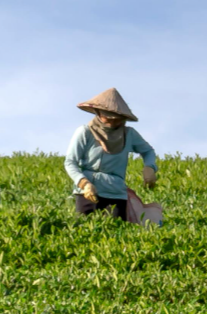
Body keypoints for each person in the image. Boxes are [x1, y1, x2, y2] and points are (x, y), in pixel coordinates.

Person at [64, 88, 159, 218]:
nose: (112, 123)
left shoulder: (129, 134)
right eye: (108, 118)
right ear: (98, 113)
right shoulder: (85, 132)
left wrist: (150, 167)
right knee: (83, 228)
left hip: (116, 192)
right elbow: (70, 162)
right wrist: (84, 183)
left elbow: (148, 151)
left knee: (115, 230)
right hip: (87, 191)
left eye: (117, 119)